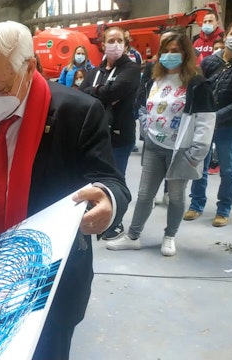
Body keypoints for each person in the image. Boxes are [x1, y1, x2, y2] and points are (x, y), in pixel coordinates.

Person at [0, 21, 130, 359]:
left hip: (47, 286)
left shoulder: (78, 113)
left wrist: (107, 201)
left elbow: (110, 180)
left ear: (29, 68)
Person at [106, 29, 215, 256]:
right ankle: (133, 235)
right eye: (165, 51)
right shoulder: (154, 78)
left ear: (185, 54)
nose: (169, 55)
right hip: (155, 145)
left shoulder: (197, 83)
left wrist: (196, 153)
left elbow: (205, 120)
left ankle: (169, 236)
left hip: (181, 150)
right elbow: (144, 105)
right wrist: (146, 126)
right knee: (145, 194)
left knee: (175, 196)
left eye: (175, 51)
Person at [80, 26, 140, 240]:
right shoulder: (96, 71)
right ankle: (96, 214)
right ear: (103, 44)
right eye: (110, 40)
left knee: (115, 179)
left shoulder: (131, 69)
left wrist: (94, 93)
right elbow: (81, 95)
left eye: (119, 40)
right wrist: (102, 93)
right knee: (93, 177)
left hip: (118, 135)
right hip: (95, 134)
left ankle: (115, 221)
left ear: (125, 44)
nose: (114, 44)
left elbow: (118, 89)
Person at [184, 21, 232, 227]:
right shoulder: (210, 62)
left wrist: (216, 117)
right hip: (204, 122)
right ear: (225, 36)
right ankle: (196, 204)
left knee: (229, 169)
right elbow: (198, 87)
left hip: (228, 125)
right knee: (198, 164)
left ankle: (223, 209)